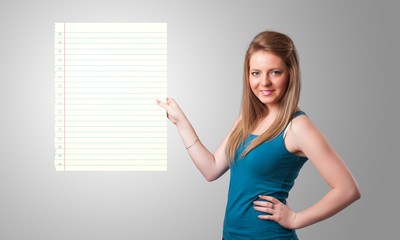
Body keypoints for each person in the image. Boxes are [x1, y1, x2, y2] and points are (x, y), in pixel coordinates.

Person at [156, 30, 360, 240]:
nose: (264, 82)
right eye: (256, 73)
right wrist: (181, 122)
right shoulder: (247, 117)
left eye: (275, 72)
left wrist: (296, 219)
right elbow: (211, 169)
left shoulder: (297, 127)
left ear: (290, 73)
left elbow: (348, 189)